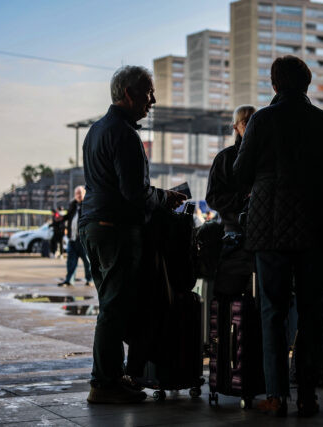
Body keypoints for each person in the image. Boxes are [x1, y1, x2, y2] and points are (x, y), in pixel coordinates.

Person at [233, 56, 323, 417]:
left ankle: (276, 395)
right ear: (307, 84)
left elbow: (240, 172)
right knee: (312, 311)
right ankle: (308, 395)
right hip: (318, 227)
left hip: (271, 229)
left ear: (274, 84)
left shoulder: (262, 120)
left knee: (273, 311)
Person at [79, 65, 186, 404]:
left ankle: (112, 378)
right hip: (116, 229)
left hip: (93, 225)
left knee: (110, 305)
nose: (153, 100)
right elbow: (135, 193)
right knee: (114, 309)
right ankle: (103, 383)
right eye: (148, 93)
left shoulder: (96, 130)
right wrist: (164, 197)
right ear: (129, 94)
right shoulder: (124, 134)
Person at [206, 105, 256, 296]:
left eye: (254, 120)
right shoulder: (225, 158)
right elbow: (212, 198)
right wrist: (243, 198)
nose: (252, 125)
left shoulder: (228, 158)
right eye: (246, 121)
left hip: (247, 237)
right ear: (235, 127)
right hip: (235, 236)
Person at [57, 186, 92, 287]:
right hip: (72, 239)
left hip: (83, 239)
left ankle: (89, 280)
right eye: (77, 193)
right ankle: (69, 280)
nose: (79, 195)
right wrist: (61, 218)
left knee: (87, 261)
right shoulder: (72, 205)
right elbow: (68, 216)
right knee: (71, 261)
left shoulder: (87, 204)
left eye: (80, 193)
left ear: (84, 193)